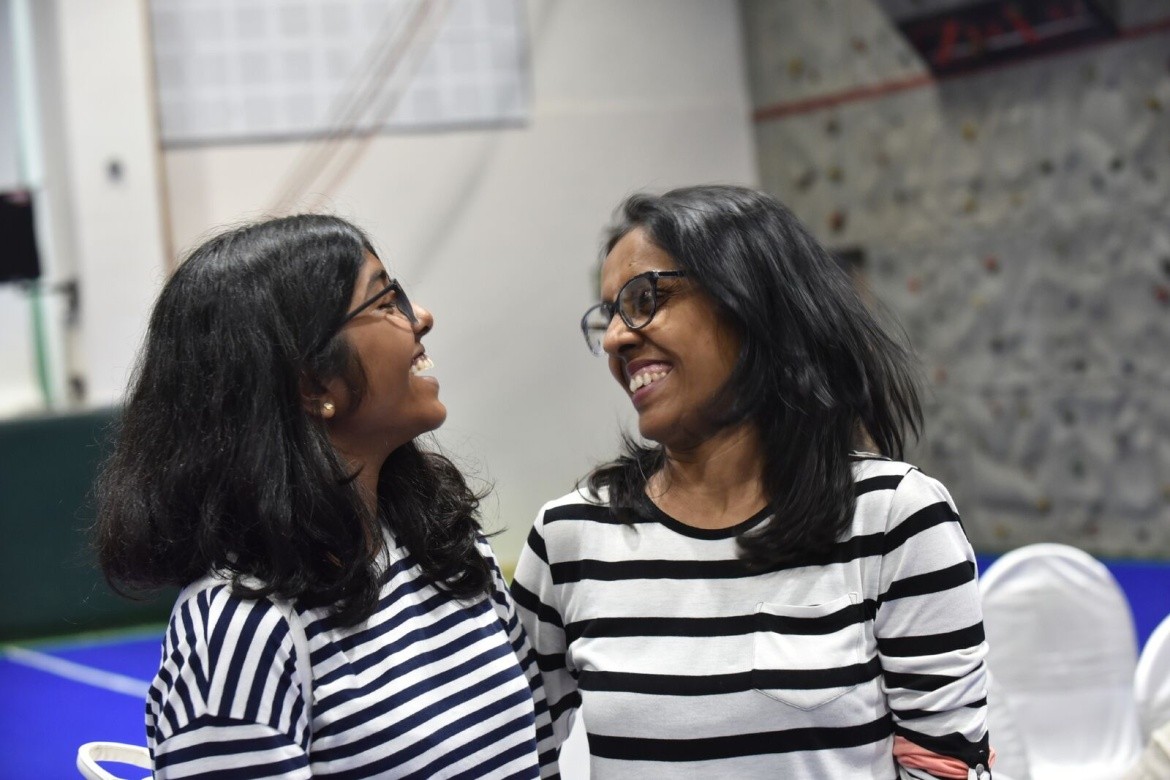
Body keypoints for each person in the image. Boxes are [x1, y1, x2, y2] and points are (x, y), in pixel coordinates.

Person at [512, 185, 994, 779]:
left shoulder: (895, 518)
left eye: (643, 299)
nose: (615, 337)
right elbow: (520, 754)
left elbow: (948, 766)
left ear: (751, 300)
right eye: (609, 313)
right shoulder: (570, 537)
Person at [95, 214, 556, 778]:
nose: (421, 317)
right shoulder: (239, 635)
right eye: (385, 300)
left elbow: (542, 757)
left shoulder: (447, 546)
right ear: (314, 384)